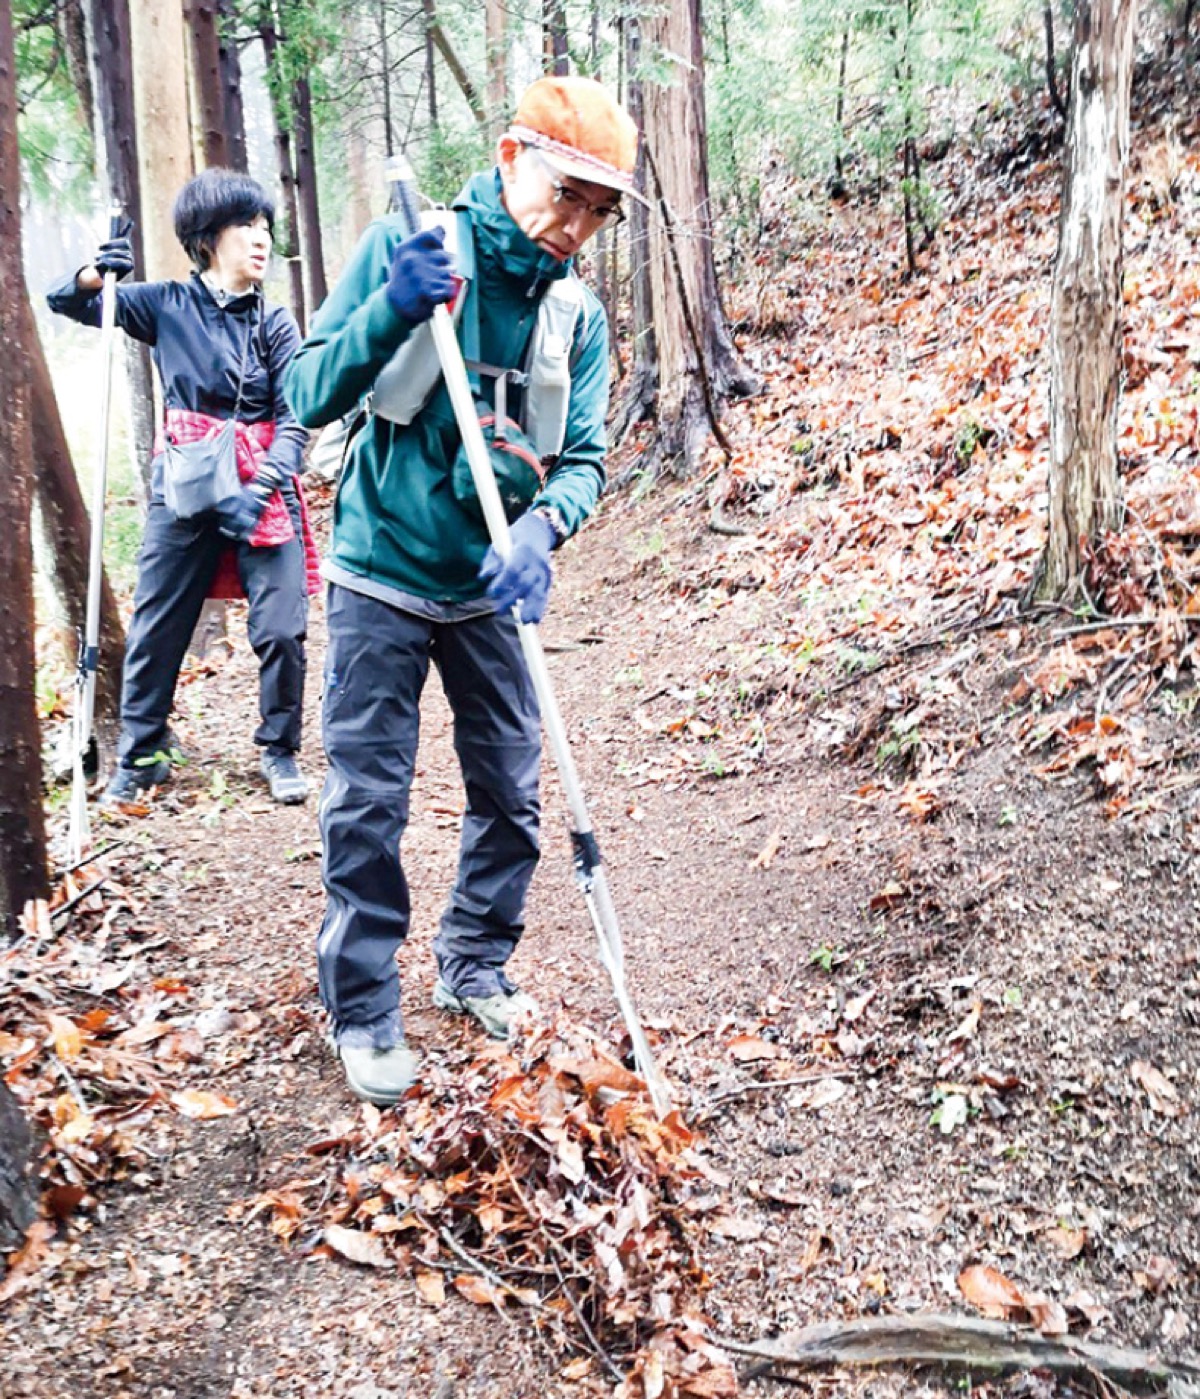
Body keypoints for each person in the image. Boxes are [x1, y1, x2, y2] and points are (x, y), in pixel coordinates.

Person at [286, 76, 639, 1105]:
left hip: (492, 584)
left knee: (511, 793)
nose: (574, 224)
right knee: (368, 802)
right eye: (563, 192)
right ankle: (362, 1003)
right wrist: (392, 307)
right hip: (381, 567)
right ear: (507, 155)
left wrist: (545, 523)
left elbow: (585, 458)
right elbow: (309, 391)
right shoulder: (419, 247)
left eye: (597, 209)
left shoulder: (576, 314)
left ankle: (474, 962)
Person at [48, 169, 317, 808]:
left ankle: (279, 749)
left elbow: (298, 417)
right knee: (158, 624)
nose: (261, 239)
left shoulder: (276, 323)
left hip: (261, 486)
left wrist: (268, 483)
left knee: (282, 626)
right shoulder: (166, 303)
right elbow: (70, 302)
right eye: (245, 226)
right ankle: (143, 754)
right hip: (187, 486)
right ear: (206, 238)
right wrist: (97, 272)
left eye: (265, 227)